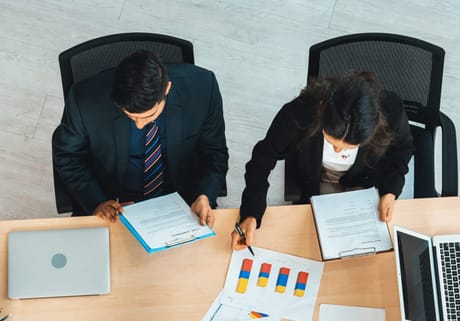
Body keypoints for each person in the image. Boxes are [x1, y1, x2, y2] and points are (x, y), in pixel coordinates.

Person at [232, 72, 413, 250]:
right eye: (331, 141)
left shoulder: (391, 111)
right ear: (322, 109)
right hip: (316, 179)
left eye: (348, 147)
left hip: (364, 182)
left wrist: (390, 191)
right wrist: (251, 213)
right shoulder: (297, 114)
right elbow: (262, 160)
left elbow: (403, 150)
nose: (338, 151)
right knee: (310, 245)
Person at [53, 50, 228, 226]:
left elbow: (214, 152)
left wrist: (204, 194)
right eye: (130, 116)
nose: (139, 125)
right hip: (113, 203)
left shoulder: (203, 88)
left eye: (148, 116)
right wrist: (97, 201)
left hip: (181, 203)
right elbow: (68, 156)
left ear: (166, 89)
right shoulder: (84, 100)